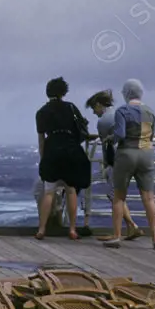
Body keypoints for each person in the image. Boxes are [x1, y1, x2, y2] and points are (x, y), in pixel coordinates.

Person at [104, 79, 155, 250]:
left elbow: (120, 134)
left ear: (127, 93)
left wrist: (110, 138)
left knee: (119, 197)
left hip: (127, 154)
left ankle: (117, 236)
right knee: (149, 198)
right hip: (146, 154)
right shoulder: (150, 112)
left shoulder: (122, 110)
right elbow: (151, 136)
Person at [35, 77, 91, 240]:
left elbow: (41, 138)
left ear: (48, 92)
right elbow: (81, 128)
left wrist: (43, 157)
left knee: (49, 191)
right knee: (71, 190)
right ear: (63, 92)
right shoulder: (71, 108)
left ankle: (42, 229)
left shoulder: (42, 112)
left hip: (52, 148)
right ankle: (72, 229)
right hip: (71, 149)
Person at [85, 89, 142, 241]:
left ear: (99, 104)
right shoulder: (120, 114)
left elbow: (106, 145)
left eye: (93, 108)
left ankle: (126, 229)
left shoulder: (103, 121)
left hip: (117, 161)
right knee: (117, 195)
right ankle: (131, 227)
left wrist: (106, 165)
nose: (94, 112)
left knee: (114, 196)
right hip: (132, 157)